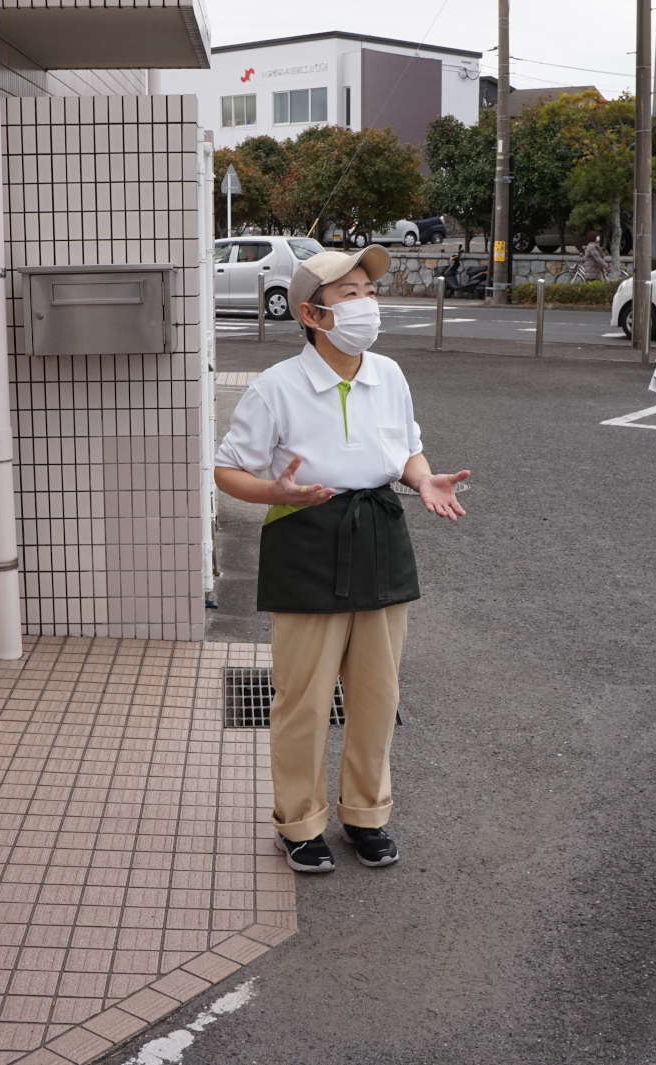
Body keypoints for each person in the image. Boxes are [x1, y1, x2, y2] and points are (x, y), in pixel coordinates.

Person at [214, 247, 469, 873]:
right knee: (302, 697)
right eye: (349, 294)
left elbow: (406, 446)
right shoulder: (277, 386)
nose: (366, 305)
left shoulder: (390, 375)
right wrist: (274, 491)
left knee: (378, 693)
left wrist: (423, 479)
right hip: (305, 534)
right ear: (312, 313)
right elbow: (227, 469)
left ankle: (366, 816)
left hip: (379, 532)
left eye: (368, 291)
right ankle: (298, 823)